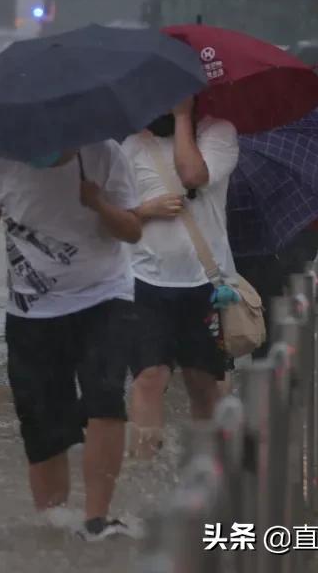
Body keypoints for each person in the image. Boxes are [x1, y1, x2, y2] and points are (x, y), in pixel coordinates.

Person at [0, 143, 142, 541]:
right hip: (32, 311)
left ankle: (97, 520)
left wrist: (98, 203)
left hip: (104, 296)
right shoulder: (2, 160)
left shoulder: (105, 155)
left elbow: (132, 229)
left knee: (105, 397)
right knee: (42, 421)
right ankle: (54, 524)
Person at [122, 97, 239, 458]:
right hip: (145, 282)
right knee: (148, 379)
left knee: (204, 384)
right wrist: (146, 210)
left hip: (206, 284)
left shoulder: (219, 133)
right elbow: (110, 217)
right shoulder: (132, 145)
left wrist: (183, 116)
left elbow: (193, 176)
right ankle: (146, 468)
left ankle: (209, 471)